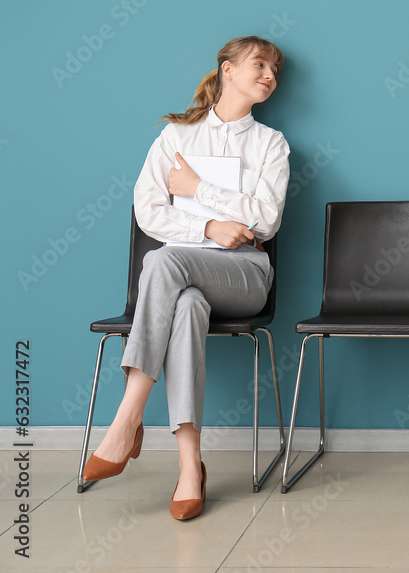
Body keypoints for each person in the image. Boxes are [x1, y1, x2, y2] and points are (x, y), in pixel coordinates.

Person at [82, 36, 291, 520]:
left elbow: (266, 220)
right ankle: (189, 466)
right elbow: (148, 210)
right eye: (259, 65)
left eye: (275, 70)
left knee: (160, 262)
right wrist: (208, 227)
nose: (269, 76)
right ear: (228, 70)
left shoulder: (270, 144)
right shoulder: (176, 136)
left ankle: (127, 418)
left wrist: (199, 190)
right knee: (187, 301)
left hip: (245, 275)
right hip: (184, 276)